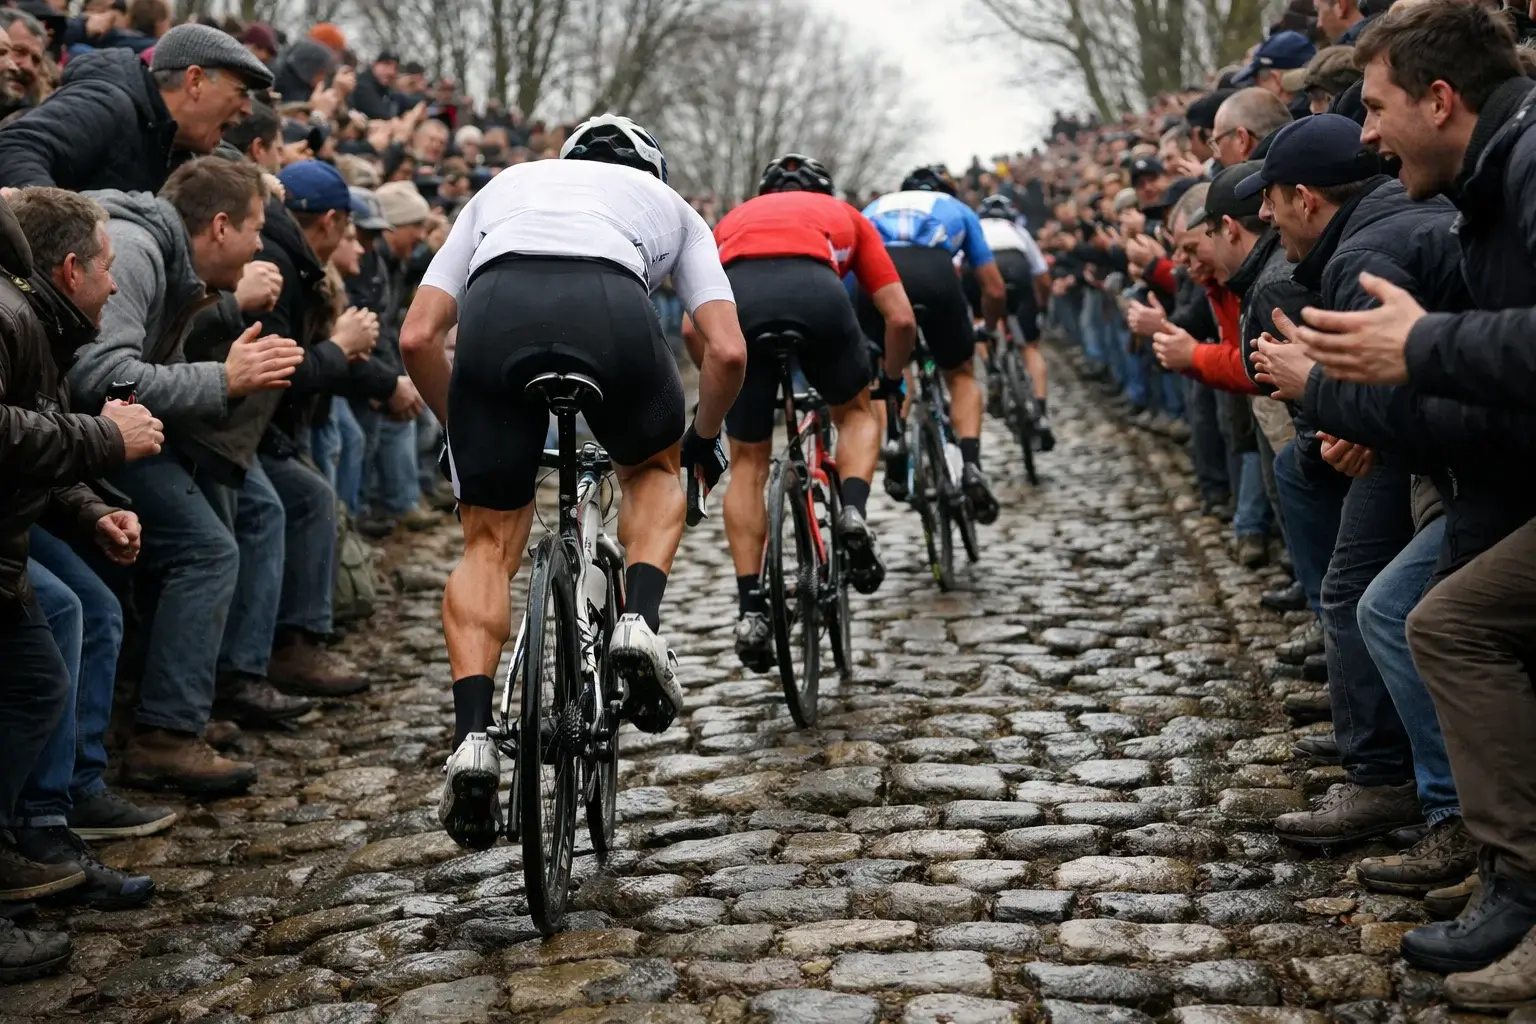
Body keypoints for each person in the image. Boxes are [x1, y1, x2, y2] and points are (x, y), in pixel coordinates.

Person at [398, 113, 746, 850]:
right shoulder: (673, 210)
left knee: (488, 544)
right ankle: (638, 624)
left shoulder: (506, 184)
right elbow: (727, 352)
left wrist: (461, 427)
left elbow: (417, 337)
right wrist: (702, 442)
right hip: (610, 312)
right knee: (654, 469)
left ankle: (473, 741)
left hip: (497, 317)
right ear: (650, 171)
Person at [1287, 0, 1536, 988]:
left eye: (1378, 105)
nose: (1364, 132)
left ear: (1441, 100)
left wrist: (1416, 353)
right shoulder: (1491, 176)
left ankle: (1517, 887)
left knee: (1447, 622)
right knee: (1437, 613)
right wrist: (1384, 388)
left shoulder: (1525, 160)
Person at [1238, 113, 1468, 860]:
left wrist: (1327, 398)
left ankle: (1432, 802)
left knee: (1373, 601)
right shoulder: (1393, 219)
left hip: (1463, 459)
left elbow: (1400, 384)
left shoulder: (1366, 250)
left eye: (1270, 200)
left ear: (1307, 199)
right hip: (1441, 444)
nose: (1264, 217)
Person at [69, 156, 303, 794]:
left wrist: (225, 336)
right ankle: (165, 736)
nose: (262, 245)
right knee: (205, 549)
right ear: (220, 226)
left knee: (219, 511)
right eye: (256, 228)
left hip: (96, 442)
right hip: (70, 447)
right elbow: (99, 378)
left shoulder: (168, 257)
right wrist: (222, 379)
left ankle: (175, 707)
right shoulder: (140, 250)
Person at [0, 188, 165, 976]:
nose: (113, 287)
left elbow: (29, 442)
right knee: (37, 671)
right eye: (107, 271)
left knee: (70, 624)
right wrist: (106, 436)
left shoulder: (33, 317)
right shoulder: (11, 312)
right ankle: (30, 836)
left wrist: (92, 509)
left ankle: (39, 830)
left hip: (11, 540)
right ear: (69, 269)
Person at [699, 153, 915, 671]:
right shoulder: (844, 215)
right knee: (856, 414)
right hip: (818, 295)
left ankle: (751, 609)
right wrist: (886, 382)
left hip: (740, 301)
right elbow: (901, 318)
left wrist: (725, 389)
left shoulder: (733, 219)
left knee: (748, 463)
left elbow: (693, 330)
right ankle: (854, 512)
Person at [860, 166, 1006, 522]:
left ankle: (895, 438)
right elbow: (994, 288)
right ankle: (970, 464)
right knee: (960, 374)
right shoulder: (955, 207)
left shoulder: (875, 207)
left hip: (878, 276)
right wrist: (987, 326)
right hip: (935, 273)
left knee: (889, 368)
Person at [0, 22, 273, 191]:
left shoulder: (176, 141)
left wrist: (253, 179)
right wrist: (67, 232)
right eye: (241, 92)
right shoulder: (107, 105)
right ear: (195, 81)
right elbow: (15, 148)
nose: (248, 109)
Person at [971, 193, 1055, 449]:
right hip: (1015, 264)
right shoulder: (1017, 230)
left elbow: (955, 267)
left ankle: (991, 367)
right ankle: (1039, 409)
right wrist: (1040, 305)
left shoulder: (975, 227)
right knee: (1030, 346)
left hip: (980, 266)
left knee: (979, 319)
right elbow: (1041, 275)